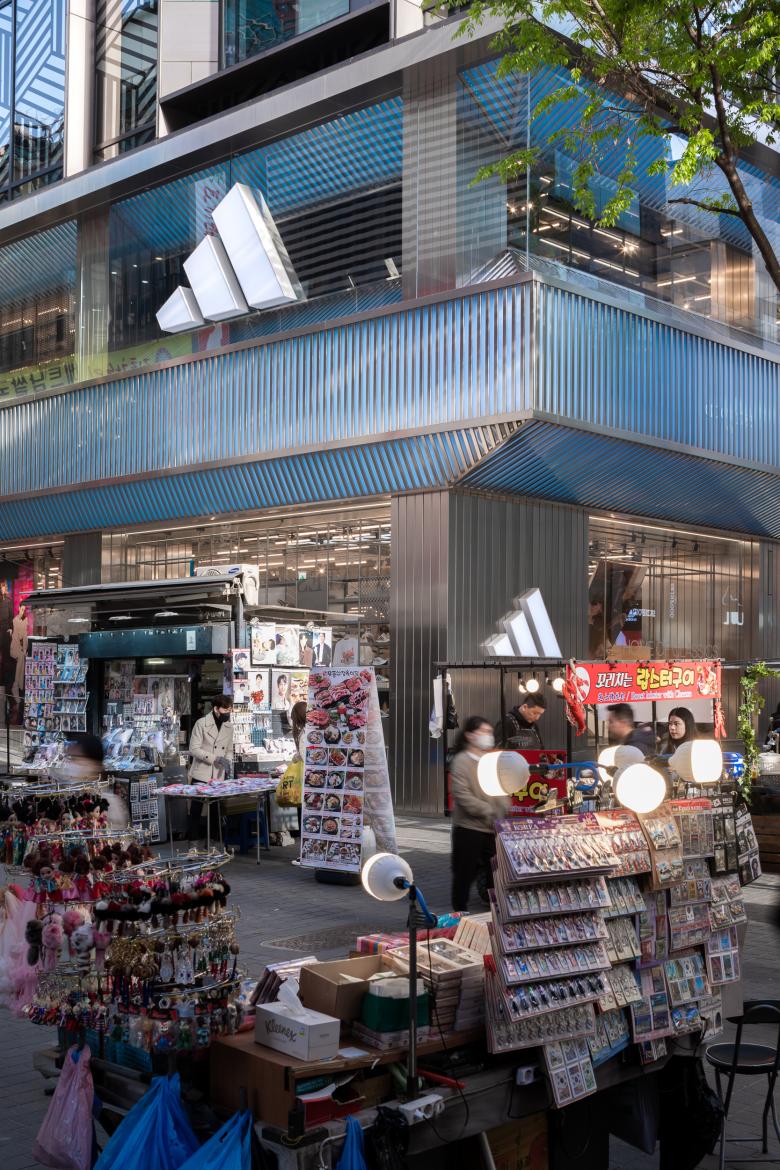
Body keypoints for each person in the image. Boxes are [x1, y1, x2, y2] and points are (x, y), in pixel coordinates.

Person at [450, 716, 509, 911]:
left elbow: (502, 789)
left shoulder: (491, 760)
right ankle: (459, 912)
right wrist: (489, 811)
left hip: (492, 828)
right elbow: (462, 795)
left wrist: (502, 809)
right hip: (468, 828)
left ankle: (494, 911)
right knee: (464, 874)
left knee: (496, 872)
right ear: (470, 735)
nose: (488, 736)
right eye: (483, 732)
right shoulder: (461, 761)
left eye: (489, 732)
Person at [186, 695, 233, 841]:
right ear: (216, 709)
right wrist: (216, 758)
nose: (228, 713)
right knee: (196, 809)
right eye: (225, 710)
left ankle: (214, 843)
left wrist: (228, 762)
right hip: (201, 772)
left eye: (230, 710)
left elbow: (229, 749)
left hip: (218, 774)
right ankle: (193, 844)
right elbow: (194, 749)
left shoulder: (229, 727)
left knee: (216, 810)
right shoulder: (201, 724)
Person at [58, 734, 129, 830]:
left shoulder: (110, 806)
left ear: (95, 764)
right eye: (70, 758)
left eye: (76, 758)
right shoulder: (68, 800)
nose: (71, 764)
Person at [10, 603, 27, 699]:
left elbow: (25, 636)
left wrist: (24, 649)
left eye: (24, 610)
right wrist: (22, 649)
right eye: (22, 609)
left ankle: (17, 685)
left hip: (20, 647)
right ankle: (17, 684)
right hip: (14, 647)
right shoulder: (15, 620)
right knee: (21, 657)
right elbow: (17, 636)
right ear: (19, 608)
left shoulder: (25, 620)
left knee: (22, 658)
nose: (23, 612)